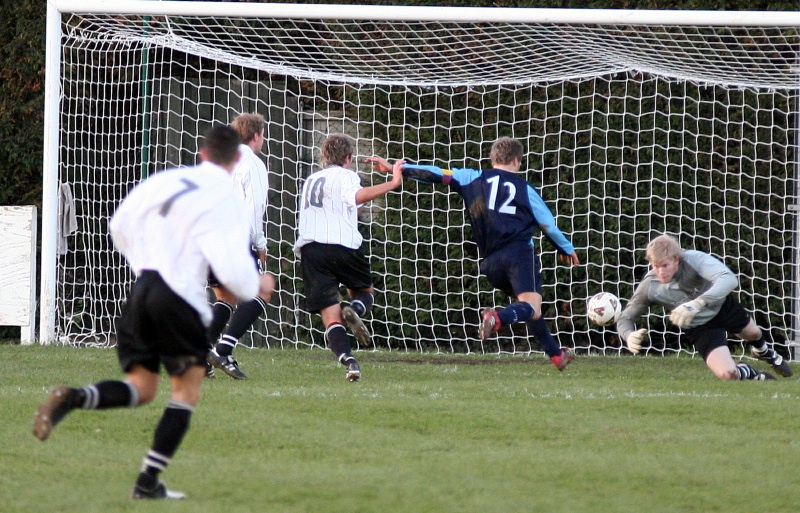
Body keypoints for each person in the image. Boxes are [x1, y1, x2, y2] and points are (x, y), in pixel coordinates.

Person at [32, 124, 274, 500]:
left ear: (202, 153)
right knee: (186, 391)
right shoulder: (225, 195)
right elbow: (235, 275)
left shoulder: (168, 179)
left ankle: (75, 397)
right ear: (236, 159)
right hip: (179, 298)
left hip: (142, 288)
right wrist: (259, 285)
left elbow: (119, 224)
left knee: (142, 388)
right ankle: (147, 483)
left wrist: (148, 265)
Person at [367, 136, 579, 371]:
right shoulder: (525, 189)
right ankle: (497, 319)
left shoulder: (472, 177)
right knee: (532, 307)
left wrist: (400, 168)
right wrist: (566, 248)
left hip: (490, 264)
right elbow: (547, 224)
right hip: (519, 255)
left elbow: (437, 173)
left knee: (528, 307)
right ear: (517, 161)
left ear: (492, 158)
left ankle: (556, 356)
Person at [294, 133, 404, 381]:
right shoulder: (346, 175)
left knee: (330, 317)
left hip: (311, 250)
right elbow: (356, 197)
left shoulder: (311, 180)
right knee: (365, 290)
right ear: (347, 157)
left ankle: (351, 363)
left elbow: (344, 206)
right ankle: (354, 309)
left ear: (324, 156)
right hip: (342, 245)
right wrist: (392, 182)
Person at [616, 234, 793, 381]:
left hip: (721, 306)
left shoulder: (694, 259)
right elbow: (626, 317)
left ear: (677, 259)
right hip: (698, 326)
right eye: (656, 266)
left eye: (665, 265)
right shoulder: (650, 285)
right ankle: (755, 375)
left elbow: (729, 278)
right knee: (727, 374)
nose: (660, 271)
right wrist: (628, 335)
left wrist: (698, 302)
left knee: (753, 334)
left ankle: (764, 352)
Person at [206, 113, 272, 380]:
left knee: (226, 298)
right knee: (264, 289)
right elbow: (254, 206)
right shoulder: (253, 164)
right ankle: (224, 347)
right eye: (263, 135)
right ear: (256, 135)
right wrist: (259, 242)